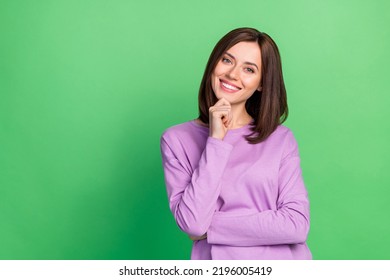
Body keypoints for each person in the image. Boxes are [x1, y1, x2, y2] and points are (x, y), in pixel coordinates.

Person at [160, 27, 312, 260]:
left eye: (249, 69)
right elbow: (193, 225)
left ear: (261, 83)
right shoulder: (176, 139)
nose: (232, 74)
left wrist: (212, 227)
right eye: (227, 60)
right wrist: (216, 140)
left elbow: (296, 224)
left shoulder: (280, 139)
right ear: (214, 64)